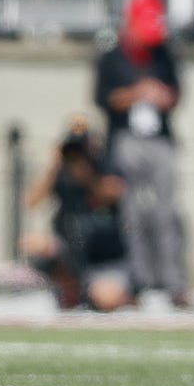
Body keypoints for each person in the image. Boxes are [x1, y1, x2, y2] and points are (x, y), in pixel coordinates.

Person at [93, 0, 190, 309]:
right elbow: (103, 100)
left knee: (167, 214)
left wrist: (164, 97)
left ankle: (175, 284)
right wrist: (137, 93)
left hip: (159, 139)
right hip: (126, 139)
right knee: (132, 215)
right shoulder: (111, 56)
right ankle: (138, 282)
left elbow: (177, 94)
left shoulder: (164, 54)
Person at [23, 117, 133, 312]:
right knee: (33, 243)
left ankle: (127, 297)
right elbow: (31, 202)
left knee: (106, 298)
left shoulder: (105, 164)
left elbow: (115, 192)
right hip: (71, 253)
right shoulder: (60, 171)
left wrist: (88, 177)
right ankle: (71, 289)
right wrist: (54, 164)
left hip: (104, 259)